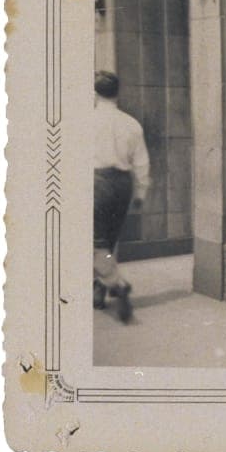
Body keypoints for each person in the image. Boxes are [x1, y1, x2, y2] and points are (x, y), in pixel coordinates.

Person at [92, 70, 150, 323]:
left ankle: (117, 284)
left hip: (97, 182)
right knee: (108, 240)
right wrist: (141, 191)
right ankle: (98, 289)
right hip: (123, 185)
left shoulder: (86, 120)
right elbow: (142, 162)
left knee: (96, 243)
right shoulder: (131, 123)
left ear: (95, 93)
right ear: (117, 93)